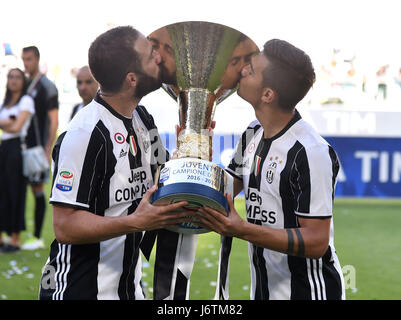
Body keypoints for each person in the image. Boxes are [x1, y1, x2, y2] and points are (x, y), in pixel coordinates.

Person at [38, 26, 194, 300]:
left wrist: (191, 145)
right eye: (150, 55)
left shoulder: (142, 118)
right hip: (80, 289)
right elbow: (65, 226)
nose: (159, 57)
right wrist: (136, 221)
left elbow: (162, 176)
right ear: (132, 78)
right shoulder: (85, 134)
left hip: (129, 289)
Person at [197, 39, 345, 300]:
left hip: (309, 293)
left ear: (268, 95)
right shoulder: (253, 132)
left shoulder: (310, 152)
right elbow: (224, 191)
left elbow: (316, 242)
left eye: (251, 69)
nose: (242, 70)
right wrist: (195, 153)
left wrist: (241, 229)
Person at [21, 46, 59, 250]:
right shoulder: (25, 83)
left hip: (37, 148)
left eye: (28, 59)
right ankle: (16, 233)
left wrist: (47, 147)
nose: (26, 63)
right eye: (23, 59)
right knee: (19, 189)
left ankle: (36, 237)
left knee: (37, 189)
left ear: (36, 59)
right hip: (22, 146)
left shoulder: (47, 86)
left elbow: (54, 120)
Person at [0, 68, 35, 252]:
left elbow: (17, 127)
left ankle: (15, 239)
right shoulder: (6, 102)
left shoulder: (26, 100)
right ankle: (2, 236)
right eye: (10, 77)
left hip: (17, 149)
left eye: (17, 77)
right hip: (4, 148)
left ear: (23, 81)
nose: (13, 80)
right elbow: (10, 124)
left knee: (16, 193)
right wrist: (9, 120)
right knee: (2, 193)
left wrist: (5, 122)